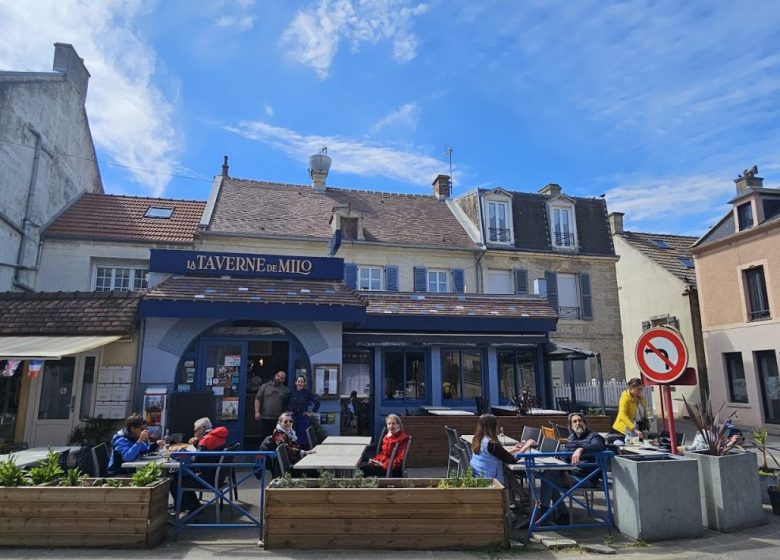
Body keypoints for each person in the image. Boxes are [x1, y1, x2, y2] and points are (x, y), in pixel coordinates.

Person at [538, 412, 606, 525]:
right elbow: (565, 458)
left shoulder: (594, 437)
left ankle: (545, 513)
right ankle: (558, 513)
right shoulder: (571, 438)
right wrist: (565, 472)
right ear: (570, 426)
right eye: (574, 421)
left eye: (580, 420)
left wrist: (580, 449)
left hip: (586, 478)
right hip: (572, 475)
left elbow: (599, 445)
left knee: (548, 480)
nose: (578, 423)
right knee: (547, 475)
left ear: (585, 423)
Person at [171, 417, 230, 513]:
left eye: (195, 430)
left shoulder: (206, 440)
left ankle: (189, 507)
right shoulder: (218, 436)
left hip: (208, 479)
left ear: (202, 428)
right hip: (219, 477)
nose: (194, 433)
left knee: (176, 478)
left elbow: (194, 461)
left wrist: (180, 456)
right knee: (182, 476)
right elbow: (203, 456)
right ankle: (192, 505)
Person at [469, 413, 531, 484]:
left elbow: (492, 454)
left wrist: (512, 449)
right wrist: (526, 446)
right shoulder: (491, 443)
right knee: (508, 474)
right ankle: (522, 494)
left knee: (508, 474)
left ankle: (522, 494)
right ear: (492, 427)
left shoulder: (477, 439)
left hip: (479, 474)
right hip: (490, 478)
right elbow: (512, 460)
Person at [254, 370, 290, 443]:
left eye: (281, 378)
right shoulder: (265, 386)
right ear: (275, 376)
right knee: (265, 439)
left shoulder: (286, 390)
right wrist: (257, 412)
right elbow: (258, 399)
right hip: (265, 418)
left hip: (278, 419)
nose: (279, 378)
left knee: (277, 440)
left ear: (284, 380)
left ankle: (276, 454)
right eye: (278, 376)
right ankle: (264, 454)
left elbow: (288, 404)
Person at [289, 375, 320, 448]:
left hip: (303, 417)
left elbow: (317, 403)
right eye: (298, 381)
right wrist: (288, 412)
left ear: (304, 383)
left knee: (303, 437)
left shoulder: (307, 393)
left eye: (302, 382)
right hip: (293, 417)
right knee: (293, 436)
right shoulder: (292, 392)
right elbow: (286, 403)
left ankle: (304, 453)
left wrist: (311, 413)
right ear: (295, 382)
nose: (300, 383)